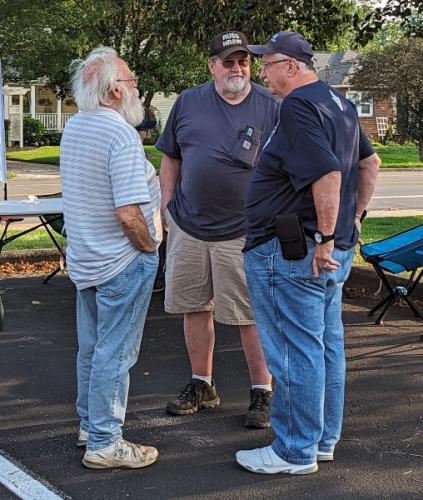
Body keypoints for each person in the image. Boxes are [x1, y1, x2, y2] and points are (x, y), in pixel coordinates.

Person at [235, 31, 380, 474]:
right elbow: (369, 164)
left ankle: (293, 450)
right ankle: (319, 441)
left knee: (295, 349)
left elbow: (328, 174)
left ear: (292, 66)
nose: (262, 72)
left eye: (268, 63)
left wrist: (325, 237)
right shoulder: (340, 104)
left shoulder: (298, 106)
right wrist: (351, 225)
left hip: (294, 250)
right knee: (324, 346)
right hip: (327, 248)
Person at [156, 31, 279, 428]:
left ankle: (262, 391)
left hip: (244, 230)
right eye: (228, 61)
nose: (237, 68)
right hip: (189, 226)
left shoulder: (270, 106)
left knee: (248, 315)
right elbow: (171, 158)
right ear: (211, 65)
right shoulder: (188, 101)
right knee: (194, 308)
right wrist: (167, 209)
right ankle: (201, 384)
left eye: (243, 60)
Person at [60, 47, 162, 469]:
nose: (136, 88)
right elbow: (128, 212)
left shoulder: (75, 127)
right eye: (132, 81)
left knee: (93, 349)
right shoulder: (119, 133)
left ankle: (90, 425)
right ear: (115, 90)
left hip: (88, 257)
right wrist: (149, 245)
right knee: (115, 353)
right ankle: (104, 440)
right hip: (121, 259)